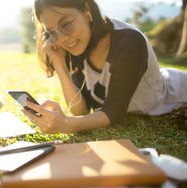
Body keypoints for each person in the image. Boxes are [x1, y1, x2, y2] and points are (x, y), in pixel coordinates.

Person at [22, 0, 187, 134]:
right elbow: (81, 111)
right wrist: (59, 65)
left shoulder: (129, 41)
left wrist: (65, 124)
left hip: (177, 94)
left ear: (87, 11)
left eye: (65, 24)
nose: (62, 39)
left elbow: (113, 112)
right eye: (52, 32)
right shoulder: (77, 46)